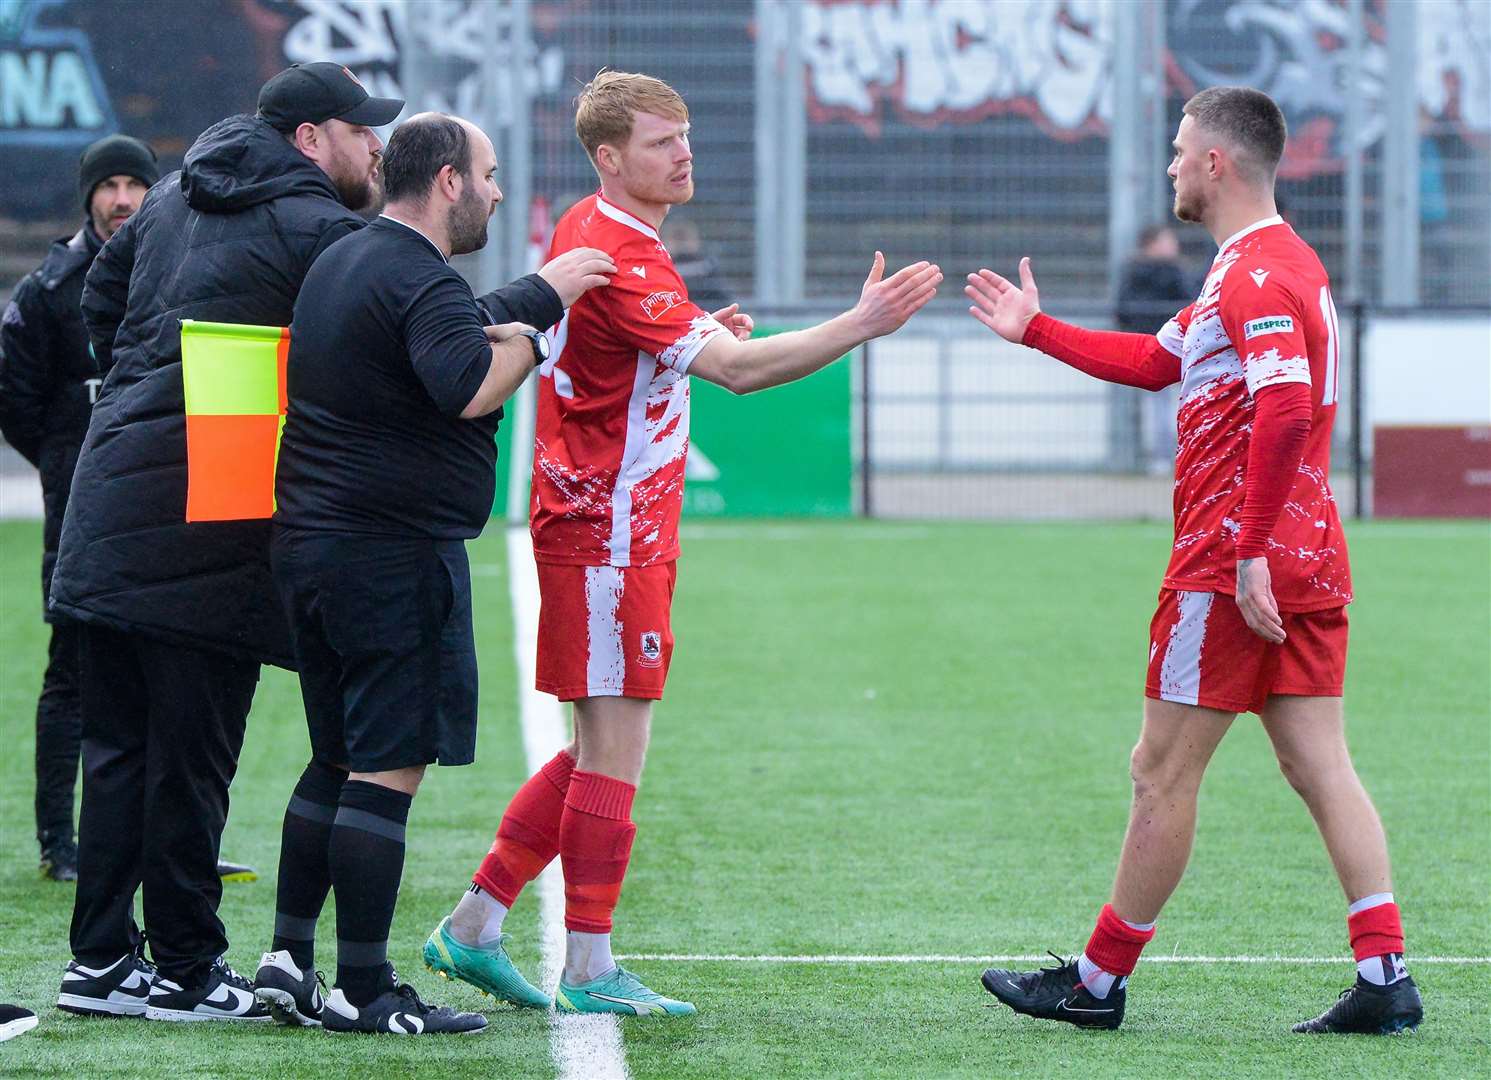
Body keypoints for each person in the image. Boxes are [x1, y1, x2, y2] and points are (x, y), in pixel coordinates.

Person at [423, 69, 941, 1017]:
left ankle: (474, 927)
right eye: (663, 141)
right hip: (606, 527)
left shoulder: (604, 232)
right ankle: (587, 967)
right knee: (616, 750)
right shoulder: (616, 245)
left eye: (687, 133)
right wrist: (859, 324)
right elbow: (738, 373)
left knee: (596, 749)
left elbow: (647, 351)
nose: (685, 152)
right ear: (610, 157)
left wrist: (694, 340)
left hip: (611, 522)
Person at [968, 86, 1421, 1035]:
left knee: (1158, 772)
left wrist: (1248, 550)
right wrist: (1036, 330)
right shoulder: (1269, 267)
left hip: (1230, 563)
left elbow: (1286, 407)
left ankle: (1095, 985)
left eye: (1179, 150)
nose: (1170, 165)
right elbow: (1155, 360)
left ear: (1216, 163)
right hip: (1303, 557)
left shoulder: (1253, 276)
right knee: (1318, 765)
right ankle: (1384, 976)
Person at [50, 62, 402, 1023]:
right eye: (361, 129)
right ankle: (189, 972)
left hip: (109, 499)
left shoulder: (165, 198)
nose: (376, 145)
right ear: (307, 140)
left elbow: (96, 306)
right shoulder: (321, 227)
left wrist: (143, 387)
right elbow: (396, 333)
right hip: (209, 511)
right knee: (190, 758)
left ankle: (101, 965)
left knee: (119, 749)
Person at [250, 112, 615, 1037]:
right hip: (390, 554)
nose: (495, 191)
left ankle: (289, 958)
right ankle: (363, 989)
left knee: (336, 755)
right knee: (386, 768)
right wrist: (547, 331)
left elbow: (445, 327)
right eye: (488, 174)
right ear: (448, 180)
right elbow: (465, 381)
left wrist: (531, 293)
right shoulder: (413, 273)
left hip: (314, 549)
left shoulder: (350, 256)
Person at [0, 135, 157, 883]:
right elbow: (16, 405)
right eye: (110, 185)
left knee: (166, 668)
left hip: (162, 506)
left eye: (134, 184)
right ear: (89, 195)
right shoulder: (48, 289)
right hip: (79, 513)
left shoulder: (172, 271)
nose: (122, 199)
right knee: (72, 672)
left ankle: (159, 831)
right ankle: (58, 844)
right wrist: (70, 465)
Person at [1114, 224, 1194, 472]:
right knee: (1156, 406)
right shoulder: (1137, 272)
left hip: (1181, 349)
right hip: (1150, 348)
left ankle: (1181, 455)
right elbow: (1124, 308)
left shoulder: (1176, 271)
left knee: (1183, 402)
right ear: (1152, 244)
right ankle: (1159, 457)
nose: (1173, 246)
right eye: (1167, 241)